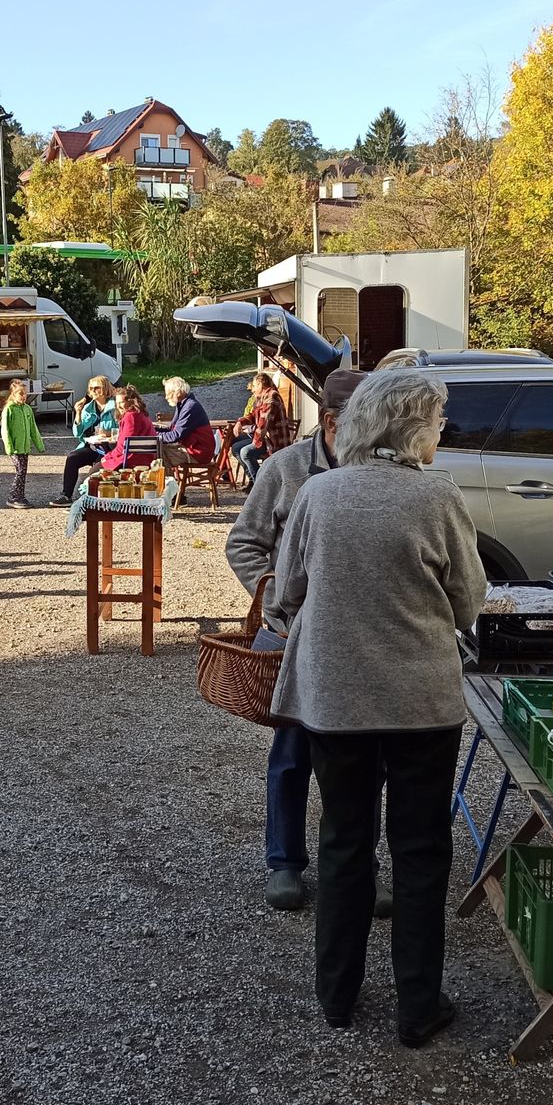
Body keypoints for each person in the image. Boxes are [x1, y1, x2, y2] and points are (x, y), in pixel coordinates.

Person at [268, 369, 486, 1045]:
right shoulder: (438, 497)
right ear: (414, 427)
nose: (441, 434)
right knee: (421, 851)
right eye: (439, 422)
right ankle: (418, 1007)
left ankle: (337, 997)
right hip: (422, 699)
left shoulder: (320, 494)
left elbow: (285, 592)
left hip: (337, 700)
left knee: (343, 842)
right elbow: (469, 599)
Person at [226, 370, 371, 913]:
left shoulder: (371, 473)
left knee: (360, 758)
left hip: (356, 639)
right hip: (292, 637)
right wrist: (275, 603)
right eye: (365, 422)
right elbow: (243, 543)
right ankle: (284, 863)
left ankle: (360, 866)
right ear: (333, 422)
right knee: (291, 755)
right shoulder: (285, 470)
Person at [49, 376, 117, 508]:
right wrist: (78, 413)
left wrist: (109, 433)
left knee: (98, 467)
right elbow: (78, 434)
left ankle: (97, 500)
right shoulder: (88, 408)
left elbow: (122, 430)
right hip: (92, 445)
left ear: (105, 389)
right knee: (72, 457)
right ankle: (66, 495)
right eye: (91, 388)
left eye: (97, 387)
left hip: (110, 447)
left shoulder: (115, 407)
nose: (93, 391)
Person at [230, 372, 290, 488]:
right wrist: (240, 422)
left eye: (254, 386)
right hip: (265, 438)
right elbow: (252, 415)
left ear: (261, 385)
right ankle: (253, 480)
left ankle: (261, 485)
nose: (252, 389)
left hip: (274, 442)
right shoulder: (262, 398)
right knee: (236, 447)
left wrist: (254, 443)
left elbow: (263, 426)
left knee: (245, 452)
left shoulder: (272, 397)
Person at [0, 379, 44, 510]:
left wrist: (39, 444)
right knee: (20, 471)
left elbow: (33, 428)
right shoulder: (9, 409)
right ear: (13, 394)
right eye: (20, 393)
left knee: (23, 472)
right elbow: (5, 430)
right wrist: (9, 447)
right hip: (15, 447)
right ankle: (13, 496)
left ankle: (20, 495)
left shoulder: (27, 409)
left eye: (25, 394)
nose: (23, 396)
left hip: (25, 447)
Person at [156, 377, 217, 471]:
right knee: (159, 449)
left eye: (168, 393)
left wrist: (155, 436)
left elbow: (176, 435)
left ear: (178, 392)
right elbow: (171, 429)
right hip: (193, 448)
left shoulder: (190, 407)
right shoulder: (183, 404)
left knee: (160, 455)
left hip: (199, 452)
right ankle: (168, 483)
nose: (166, 397)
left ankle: (168, 484)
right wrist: (154, 430)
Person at [96, 384, 156, 471]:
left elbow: (123, 447)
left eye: (121, 402)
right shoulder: (141, 413)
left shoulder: (131, 417)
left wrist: (107, 457)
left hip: (130, 461)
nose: (118, 406)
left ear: (131, 401)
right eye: (116, 403)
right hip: (145, 459)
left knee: (94, 472)